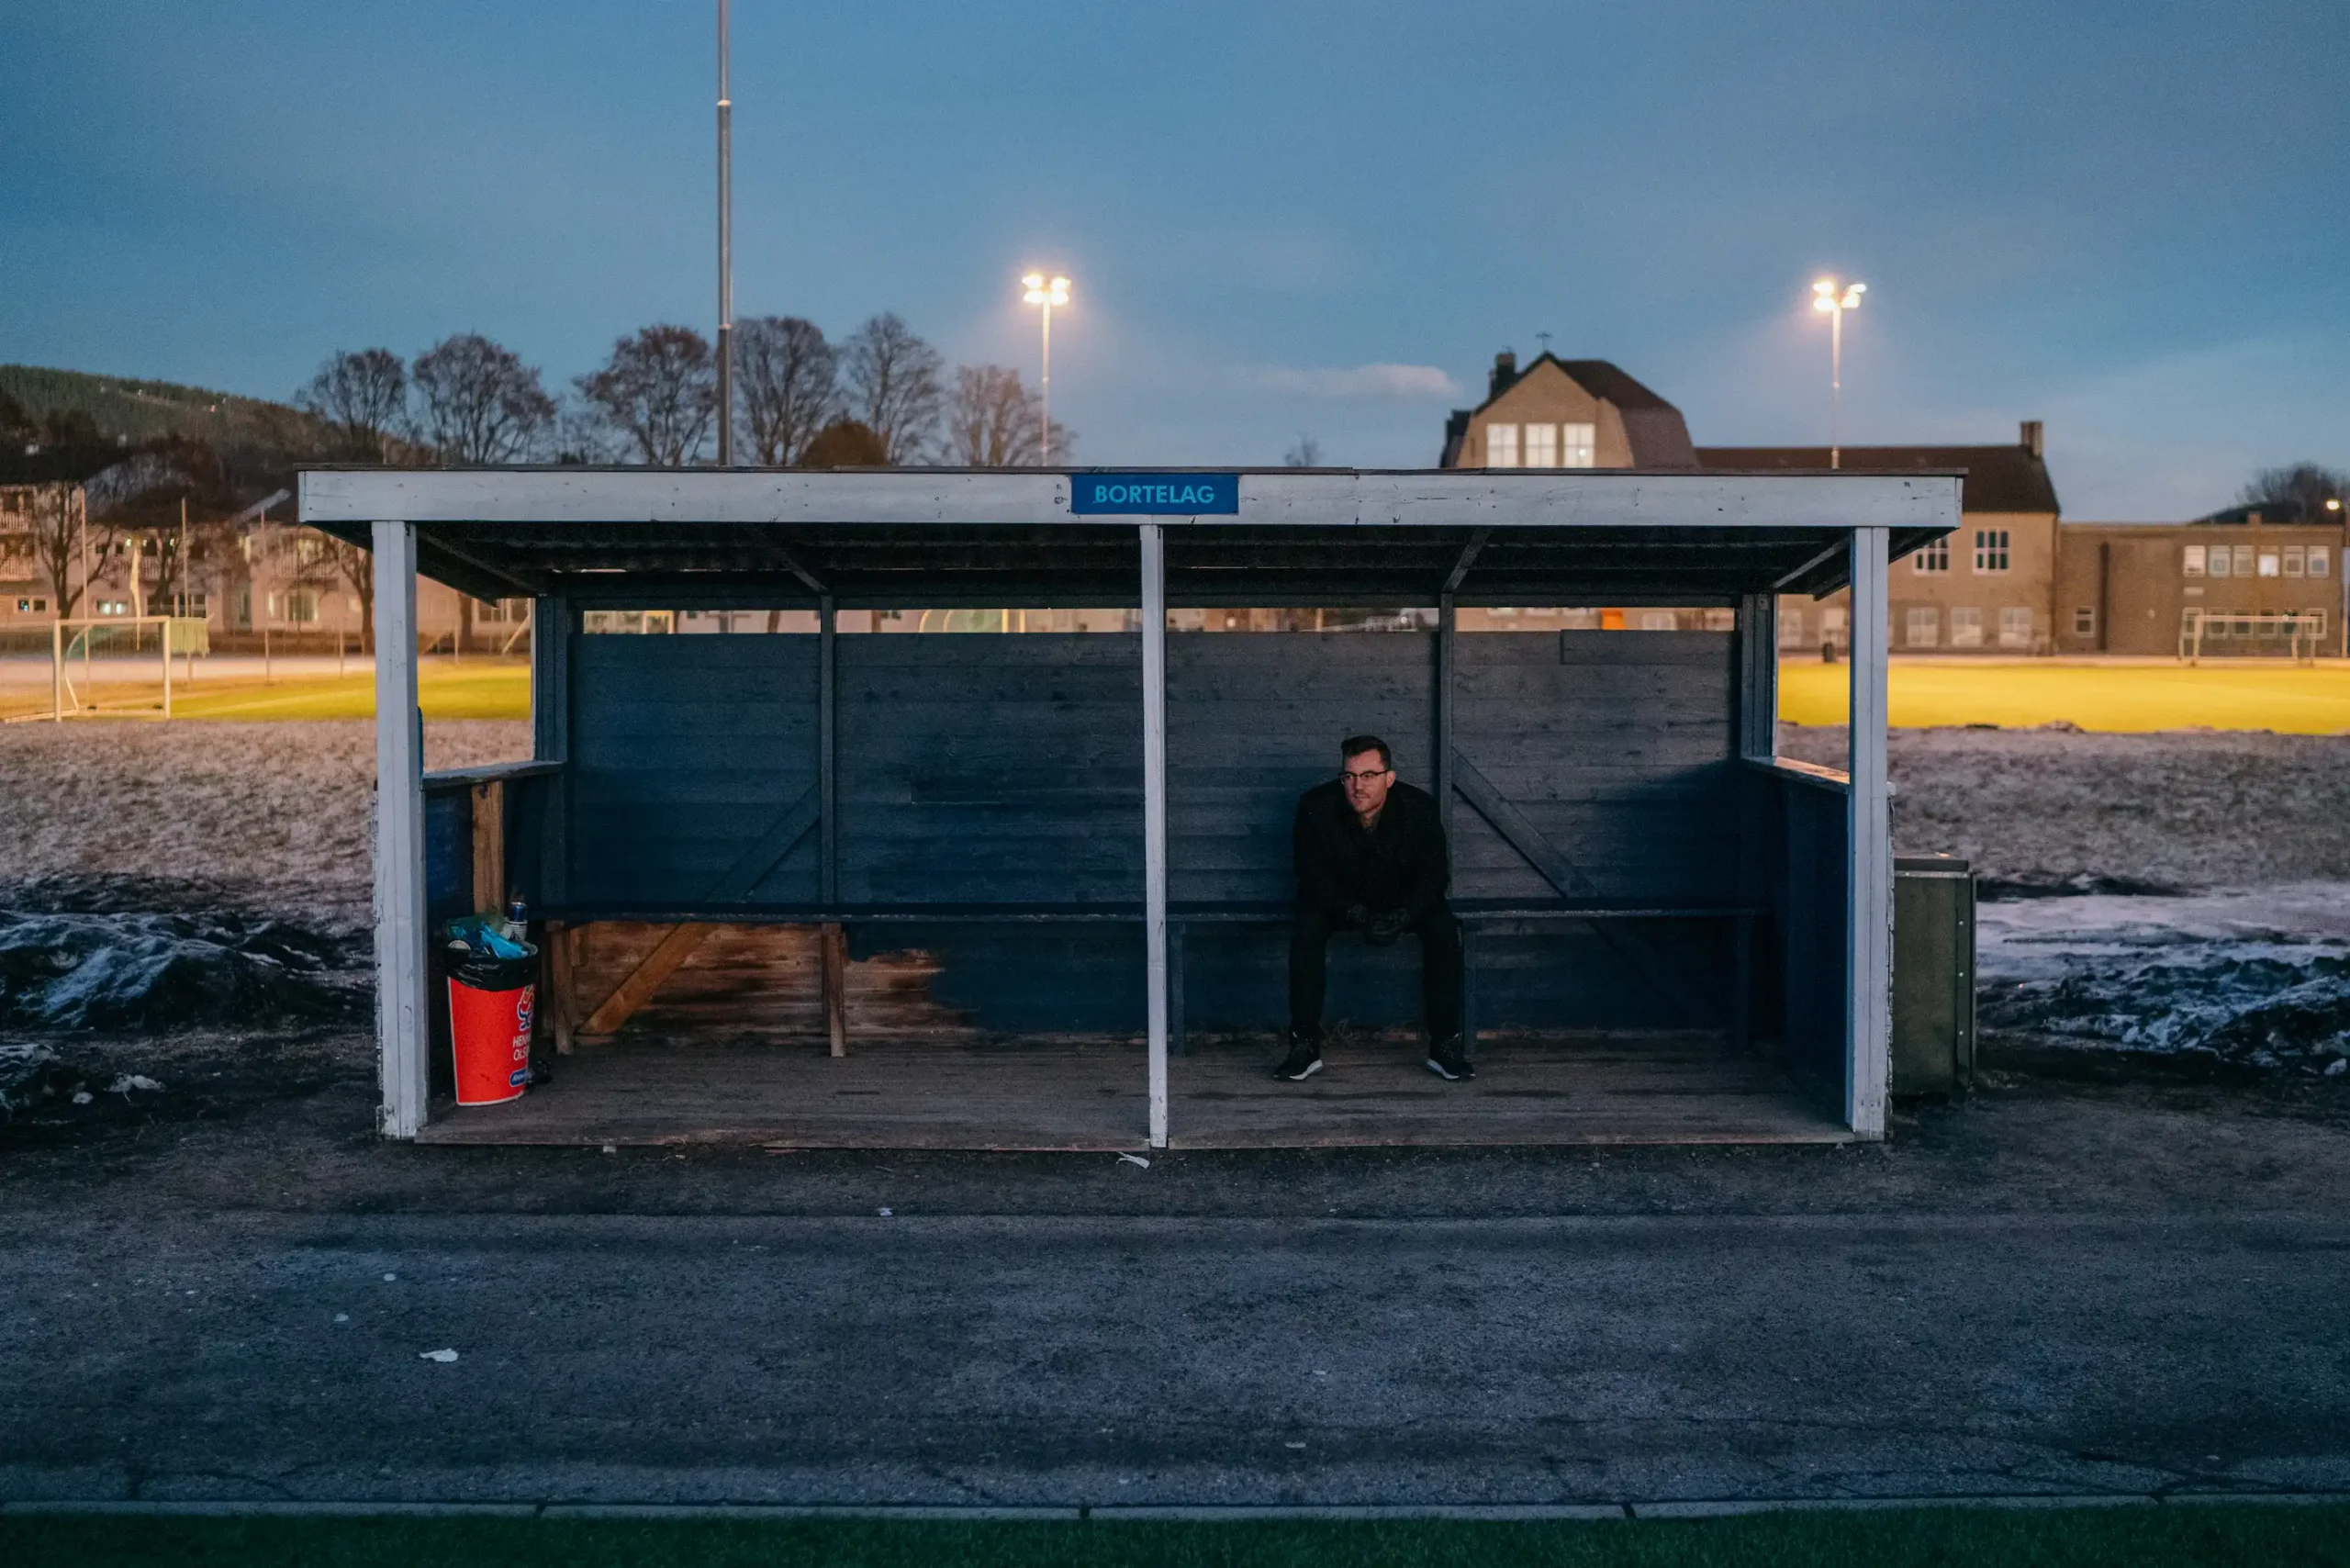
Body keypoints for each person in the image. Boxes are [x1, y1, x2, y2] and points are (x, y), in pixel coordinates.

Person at [1275, 734, 1471, 1083]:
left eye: (1368, 776)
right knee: (1307, 926)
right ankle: (1304, 1043)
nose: (1357, 786)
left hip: (1401, 903)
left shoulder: (1419, 807)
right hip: (1340, 902)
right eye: (1349, 776)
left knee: (1442, 927)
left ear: (1389, 779)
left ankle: (1445, 1044)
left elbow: (1435, 874)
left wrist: (1406, 915)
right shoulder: (1315, 806)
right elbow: (1311, 876)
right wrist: (1355, 913)